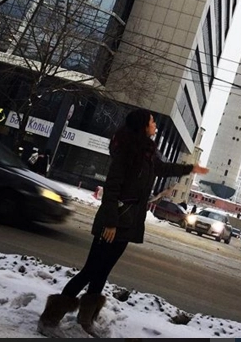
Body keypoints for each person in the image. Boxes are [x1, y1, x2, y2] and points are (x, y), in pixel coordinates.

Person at [36, 109, 209, 337]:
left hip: (129, 222)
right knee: (91, 270)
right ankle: (49, 320)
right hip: (114, 220)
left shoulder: (147, 153)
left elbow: (164, 169)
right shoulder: (126, 151)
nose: (155, 125)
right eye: (152, 122)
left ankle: (86, 319)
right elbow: (112, 188)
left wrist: (190, 169)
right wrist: (110, 223)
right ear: (142, 126)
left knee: (103, 271)